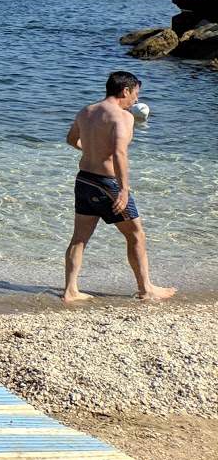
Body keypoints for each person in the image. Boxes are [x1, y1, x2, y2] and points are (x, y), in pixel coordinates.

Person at [62, 70, 176, 303]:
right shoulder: (123, 117)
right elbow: (118, 152)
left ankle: (70, 290)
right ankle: (146, 289)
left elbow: (71, 140)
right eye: (136, 94)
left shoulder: (86, 111)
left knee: (79, 238)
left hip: (84, 179)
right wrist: (123, 189)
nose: (136, 100)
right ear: (126, 91)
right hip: (107, 184)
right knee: (136, 234)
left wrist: (93, 150)